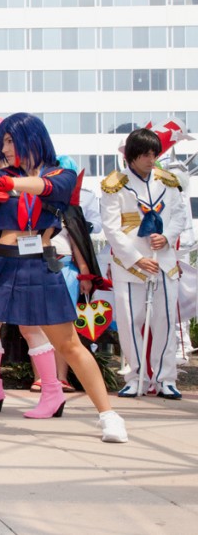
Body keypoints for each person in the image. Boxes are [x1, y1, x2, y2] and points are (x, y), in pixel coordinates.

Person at [0, 112, 128, 443]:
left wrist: (5, 184)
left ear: (30, 139)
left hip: (37, 265)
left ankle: (110, 417)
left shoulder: (61, 173)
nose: (5, 148)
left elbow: (45, 187)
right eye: (2, 141)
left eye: (10, 140)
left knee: (69, 345)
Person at [101, 127, 188, 399]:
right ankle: (135, 376)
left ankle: (166, 379)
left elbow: (178, 216)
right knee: (129, 321)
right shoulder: (114, 184)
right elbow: (111, 228)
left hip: (163, 260)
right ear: (132, 156)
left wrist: (167, 236)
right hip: (130, 264)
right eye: (146, 155)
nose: (152, 160)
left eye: (154, 154)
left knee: (164, 319)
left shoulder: (169, 181)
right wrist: (137, 259)